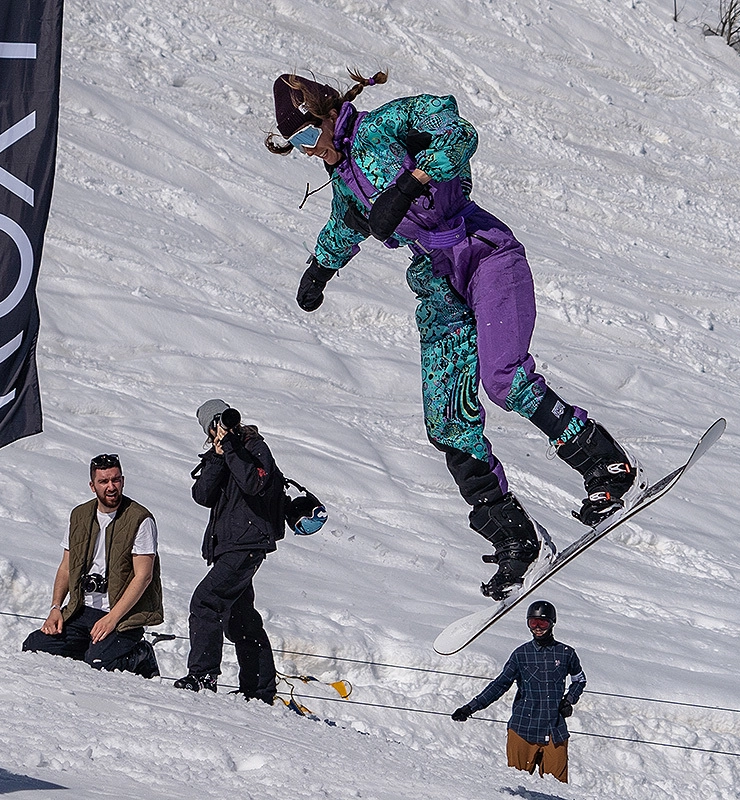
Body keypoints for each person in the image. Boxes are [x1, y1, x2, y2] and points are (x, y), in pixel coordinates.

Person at [269, 70, 642, 600]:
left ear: (328, 114)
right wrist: (319, 270)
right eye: (297, 144)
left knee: (504, 380)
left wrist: (411, 181)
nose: (308, 149)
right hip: (438, 285)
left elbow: (458, 130)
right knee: (447, 422)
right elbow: (345, 225)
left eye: (309, 134)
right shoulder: (345, 178)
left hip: (484, 255)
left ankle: (607, 465)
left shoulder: (386, 125)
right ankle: (516, 537)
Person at [173, 400, 280, 704]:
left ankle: (203, 675)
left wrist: (231, 448)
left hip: (247, 542)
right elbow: (202, 495)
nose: (221, 428)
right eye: (214, 424)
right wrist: (218, 457)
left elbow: (253, 483)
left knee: (206, 601)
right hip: (230, 545)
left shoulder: (254, 447)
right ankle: (259, 690)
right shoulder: (220, 453)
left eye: (224, 420)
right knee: (240, 617)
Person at [22, 453, 162, 678]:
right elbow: (66, 567)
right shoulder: (80, 515)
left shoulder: (140, 519)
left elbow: (143, 576)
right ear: (92, 485)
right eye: (103, 481)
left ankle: (141, 654)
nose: (111, 487)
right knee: (35, 647)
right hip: (82, 610)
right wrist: (55, 608)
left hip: (123, 616)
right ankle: (90, 650)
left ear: (123, 481)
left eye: (116, 480)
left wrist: (112, 618)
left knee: (100, 665)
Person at [451, 600, 585, 783]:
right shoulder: (521, 654)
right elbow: (500, 685)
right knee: (518, 785)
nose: (537, 628)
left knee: (557, 787)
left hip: (555, 730)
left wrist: (569, 700)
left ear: (552, 623)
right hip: (522, 729)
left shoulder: (566, 653)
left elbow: (579, 680)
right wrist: (470, 708)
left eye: (542, 623)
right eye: (533, 623)